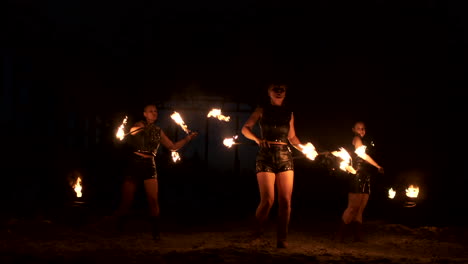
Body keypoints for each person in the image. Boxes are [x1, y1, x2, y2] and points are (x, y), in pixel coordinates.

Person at [111, 103, 198, 241]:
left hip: (149, 164)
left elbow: (172, 147)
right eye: (151, 111)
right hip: (135, 163)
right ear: (145, 114)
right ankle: (118, 227)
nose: (154, 113)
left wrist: (188, 138)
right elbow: (133, 131)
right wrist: (141, 127)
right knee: (127, 200)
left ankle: (156, 233)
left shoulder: (158, 131)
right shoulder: (138, 125)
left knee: (153, 200)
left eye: (156, 111)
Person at [241, 81, 309, 249]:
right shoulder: (261, 110)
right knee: (268, 200)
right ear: (269, 92)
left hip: (285, 156)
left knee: (285, 201)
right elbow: (245, 129)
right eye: (275, 89)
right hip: (266, 156)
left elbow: (292, 138)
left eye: (282, 89)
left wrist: (305, 149)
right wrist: (257, 139)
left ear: (285, 93)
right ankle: (256, 232)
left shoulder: (289, 113)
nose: (279, 92)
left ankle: (282, 238)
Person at [335, 120, 384, 243]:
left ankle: (358, 236)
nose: (361, 131)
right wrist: (377, 166)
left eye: (363, 128)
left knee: (361, 208)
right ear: (353, 130)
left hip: (365, 176)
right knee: (352, 207)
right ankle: (340, 235)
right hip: (356, 175)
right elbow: (362, 155)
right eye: (358, 128)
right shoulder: (356, 139)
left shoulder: (364, 142)